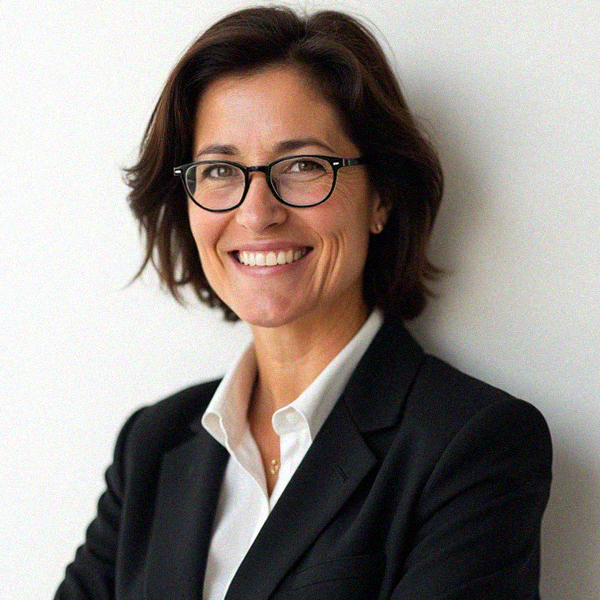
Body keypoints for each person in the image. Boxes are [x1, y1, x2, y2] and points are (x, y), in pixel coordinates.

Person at [55, 6, 552, 600]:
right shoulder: (153, 443)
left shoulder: (473, 446)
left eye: (302, 166)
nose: (256, 213)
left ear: (381, 197)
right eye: (219, 170)